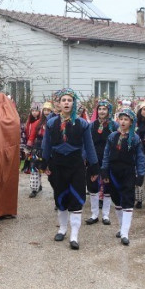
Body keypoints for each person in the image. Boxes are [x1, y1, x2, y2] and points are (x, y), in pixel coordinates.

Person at [41, 88, 99, 250]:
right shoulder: (51, 123)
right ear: (58, 104)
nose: (66, 103)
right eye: (63, 100)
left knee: (76, 198)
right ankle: (62, 229)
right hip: (58, 166)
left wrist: (94, 167)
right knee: (60, 198)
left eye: (69, 100)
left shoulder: (82, 124)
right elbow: (46, 145)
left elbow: (89, 146)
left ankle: (74, 235)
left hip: (76, 166)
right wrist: (44, 163)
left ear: (74, 103)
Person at [101, 109, 145, 245]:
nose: (123, 122)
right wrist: (104, 170)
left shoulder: (135, 138)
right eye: (121, 119)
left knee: (127, 199)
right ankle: (121, 227)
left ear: (131, 122)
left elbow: (140, 158)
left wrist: (141, 174)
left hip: (128, 172)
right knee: (117, 200)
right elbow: (106, 155)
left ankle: (125, 233)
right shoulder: (112, 136)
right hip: (114, 172)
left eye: (126, 119)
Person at [85, 99, 117, 225]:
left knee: (108, 186)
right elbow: (87, 143)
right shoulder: (91, 126)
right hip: (93, 160)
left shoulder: (114, 126)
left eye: (104, 109)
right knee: (92, 186)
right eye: (100, 109)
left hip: (108, 160)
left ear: (108, 111)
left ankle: (106, 215)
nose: (102, 111)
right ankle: (94, 214)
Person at [25, 101, 51, 198]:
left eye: (49, 110)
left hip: (51, 149)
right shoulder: (37, 123)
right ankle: (34, 189)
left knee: (53, 171)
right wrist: (29, 147)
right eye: (45, 110)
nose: (47, 112)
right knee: (35, 169)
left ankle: (58, 193)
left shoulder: (56, 122)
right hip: (38, 148)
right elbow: (32, 136)